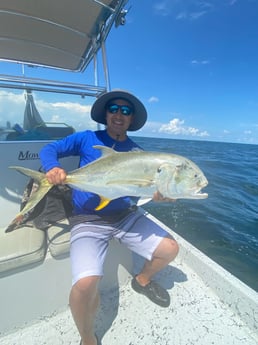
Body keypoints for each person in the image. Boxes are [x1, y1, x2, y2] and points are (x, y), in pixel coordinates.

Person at [40, 90, 179, 345]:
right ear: (106, 113)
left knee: (170, 249)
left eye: (126, 111)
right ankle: (87, 337)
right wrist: (54, 168)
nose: (119, 114)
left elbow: (135, 194)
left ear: (131, 119)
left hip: (126, 217)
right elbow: (50, 149)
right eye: (114, 108)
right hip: (87, 219)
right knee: (85, 284)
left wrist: (159, 194)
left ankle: (142, 280)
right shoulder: (86, 138)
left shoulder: (138, 153)